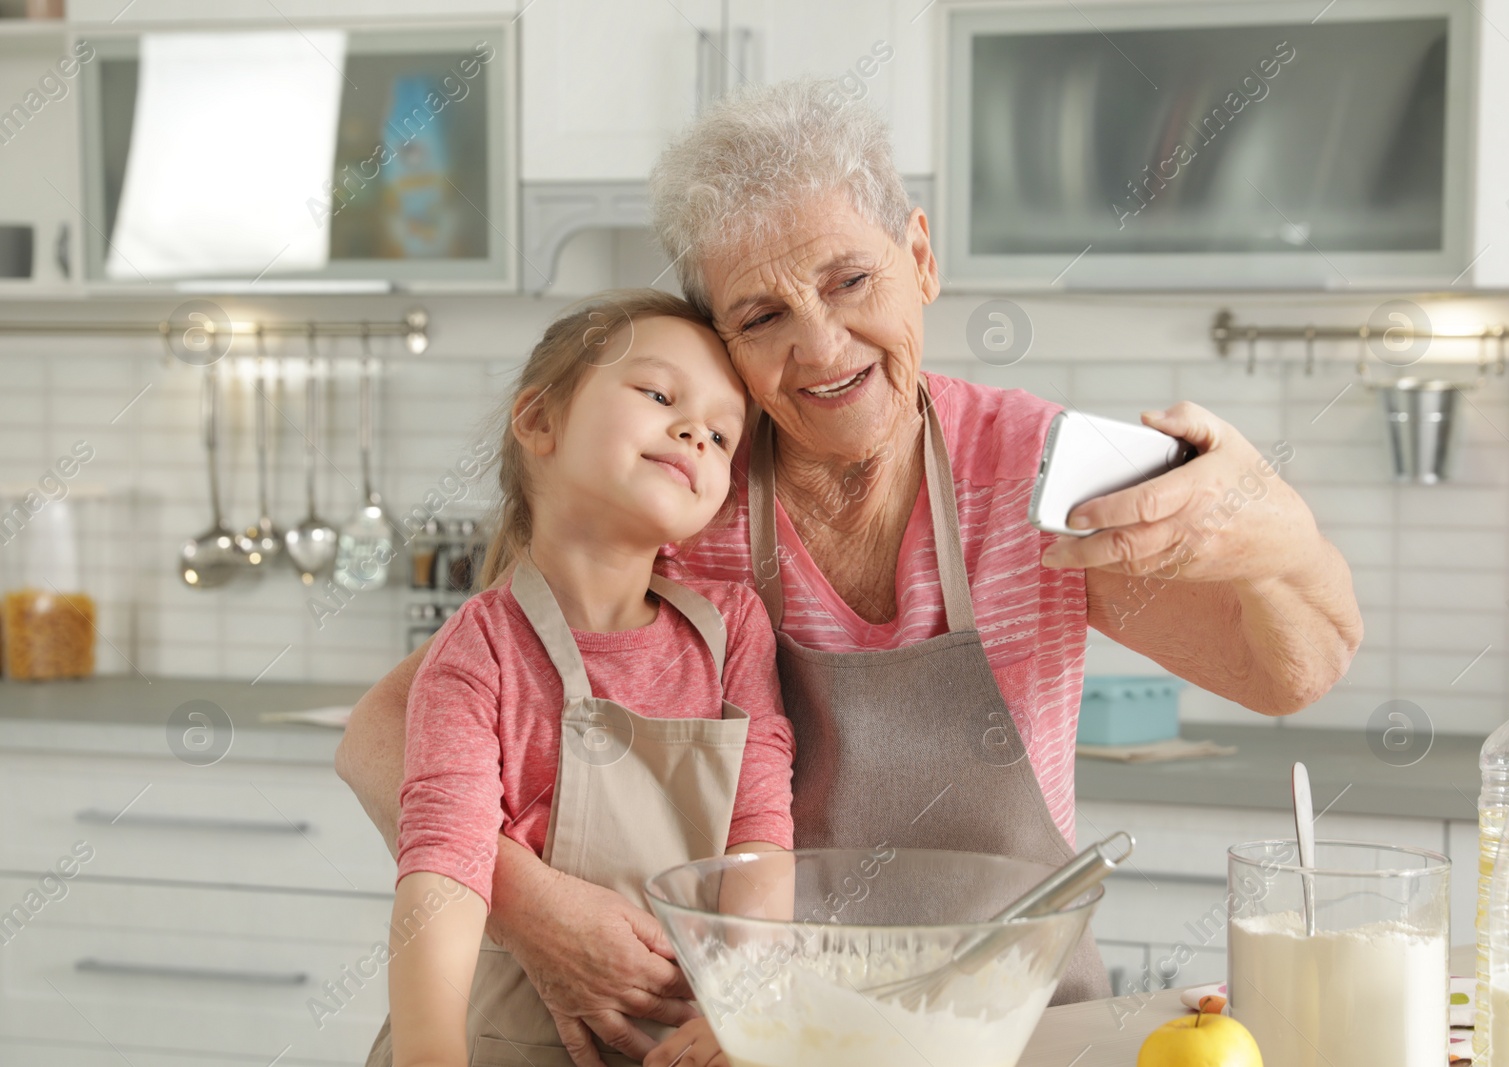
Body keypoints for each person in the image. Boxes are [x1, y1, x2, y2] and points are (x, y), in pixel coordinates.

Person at [338, 80, 1363, 1067]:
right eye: (761, 315)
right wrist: (535, 912)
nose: (821, 345)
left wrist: (1277, 533)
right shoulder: (690, 493)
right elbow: (391, 730)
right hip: (758, 1039)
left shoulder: (1030, 467)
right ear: (721, 341)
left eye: (848, 280)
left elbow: (1290, 669)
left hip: (1003, 1028)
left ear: (919, 255)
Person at [370, 290, 793, 1067]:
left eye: (724, 435)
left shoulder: (733, 630)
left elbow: (760, 838)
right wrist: (429, 1049)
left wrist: (748, 1004)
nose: (696, 431)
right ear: (538, 422)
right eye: (660, 395)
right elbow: (445, 870)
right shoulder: (479, 650)